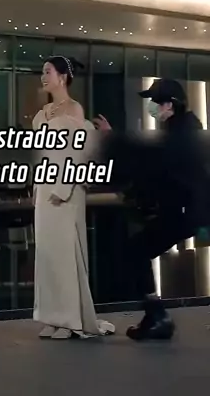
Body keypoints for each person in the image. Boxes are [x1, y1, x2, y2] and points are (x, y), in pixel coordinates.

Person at [94, 78, 208, 341]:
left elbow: (153, 158)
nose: (152, 108)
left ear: (169, 104)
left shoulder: (183, 133)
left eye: (155, 102)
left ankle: (157, 315)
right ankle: (155, 314)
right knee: (137, 251)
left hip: (185, 212)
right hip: (183, 211)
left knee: (136, 251)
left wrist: (113, 140)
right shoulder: (182, 128)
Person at [32, 55, 115, 339]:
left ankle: (70, 319)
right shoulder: (43, 113)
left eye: (48, 72)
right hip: (45, 186)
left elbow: (79, 152)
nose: (43, 77)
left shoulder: (74, 109)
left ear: (63, 77)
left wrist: (63, 187)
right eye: (42, 72)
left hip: (66, 188)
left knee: (66, 252)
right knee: (47, 254)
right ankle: (51, 316)